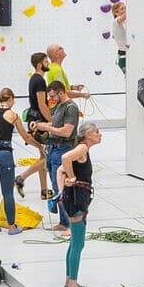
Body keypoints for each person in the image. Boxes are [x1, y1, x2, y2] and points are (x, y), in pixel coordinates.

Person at [0, 88, 37, 234]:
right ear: (10, 98)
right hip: (5, 154)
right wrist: (40, 147)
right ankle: (12, 227)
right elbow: (26, 137)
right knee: (7, 193)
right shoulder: (14, 115)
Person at [61, 123, 103, 287]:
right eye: (96, 132)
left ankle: (68, 281)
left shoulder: (83, 148)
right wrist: (72, 178)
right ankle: (73, 286)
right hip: (76, 199)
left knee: (75, 243)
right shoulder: (82, 148)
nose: (100, 135)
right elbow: (65, 158)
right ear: (88, 136)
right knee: (78, 243)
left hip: (77, 198)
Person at [40, 82, 84, 226]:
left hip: (63, 149)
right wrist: (43, 126)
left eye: (53, 96)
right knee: (55, 185)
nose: (51, 99)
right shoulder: (58, 106)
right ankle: (63, 221)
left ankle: (68, 222)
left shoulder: (71, 108)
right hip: (53, 149)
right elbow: (56, 125)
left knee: (62, 187)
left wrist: (47, 128)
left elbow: (66, 132)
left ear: (60, 93)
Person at [15, 51, 53, 200]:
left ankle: (44, 191)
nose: (48, 63)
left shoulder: (34, 79)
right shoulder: (39, 81)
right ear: (39, 64)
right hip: (40, 121)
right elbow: (42, 104)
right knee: (48, 157)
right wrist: (52, 122)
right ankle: (21, 177)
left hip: (35, 120)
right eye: (46, 61)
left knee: (43, 155)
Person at [110, 0, 129, 74]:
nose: (124, 10)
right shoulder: (116, 21)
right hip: (123, 56)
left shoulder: (122, 24)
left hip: (125, 54)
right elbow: (124, 17)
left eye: (125, 8)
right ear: (116, 13)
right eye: (122, 9)